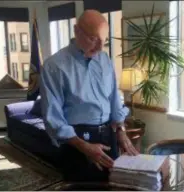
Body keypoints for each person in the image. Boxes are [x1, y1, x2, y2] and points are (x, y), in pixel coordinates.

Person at [40, 10, 139, 182]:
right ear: (76, 31)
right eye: (94, 39)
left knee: (113, 185)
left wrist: (121, 131)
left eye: (104, 40)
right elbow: (53, 118)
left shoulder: (104, 60)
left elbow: (114, 99)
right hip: (77, 143)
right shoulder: (54, 66)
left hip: (109, 136)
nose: (100, 47)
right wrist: (83, 146)